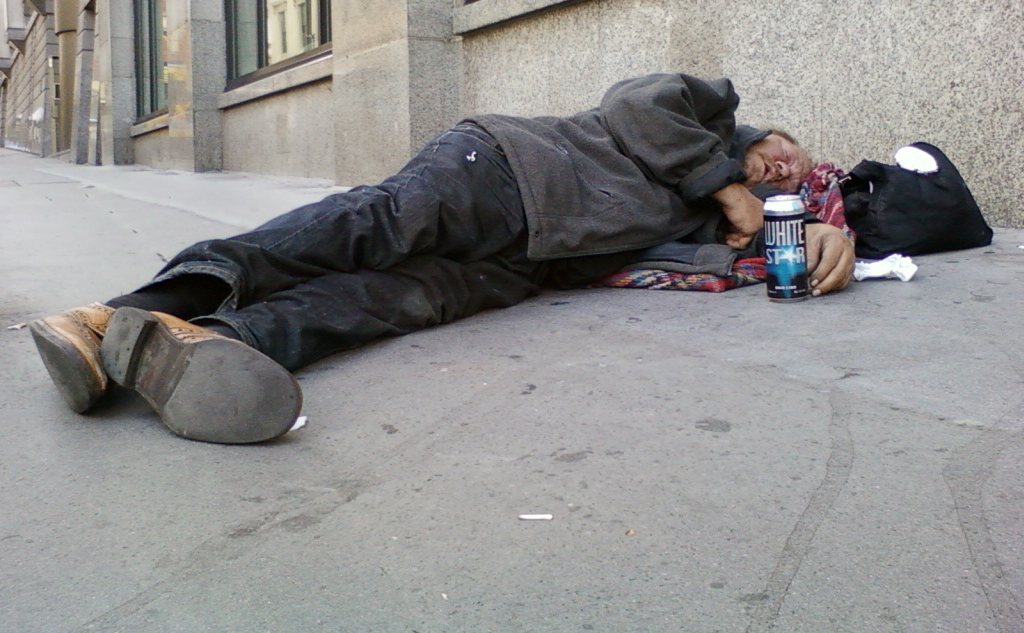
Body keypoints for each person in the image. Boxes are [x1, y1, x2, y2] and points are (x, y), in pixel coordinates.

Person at [28, 73, 854, 445]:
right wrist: (727, 181)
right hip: (501, 170)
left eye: (796, 179)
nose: (786, 169)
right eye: (784, 154)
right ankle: (112, 312)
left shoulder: (730, 225)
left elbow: (716, 260)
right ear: (765, 134)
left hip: (526, 265)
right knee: (363, 226)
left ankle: (206, 342)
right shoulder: (710, 117)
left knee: (378, 302)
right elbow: (630, 102)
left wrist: (818, 234)